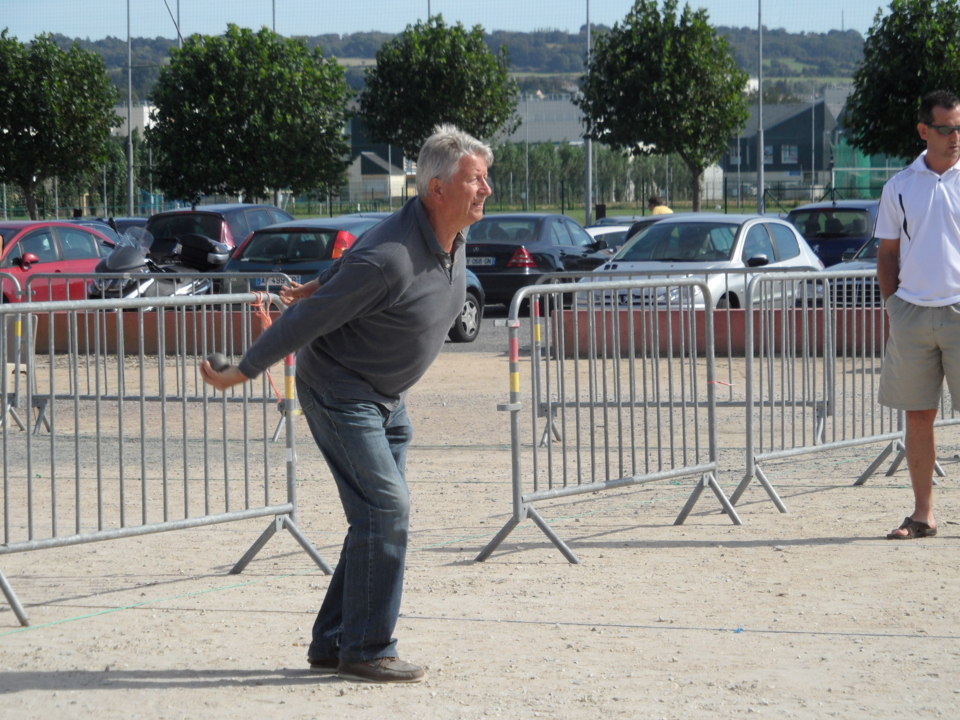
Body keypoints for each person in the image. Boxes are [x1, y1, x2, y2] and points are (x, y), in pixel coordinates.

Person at [200, 124, 493, 680]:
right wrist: (242, 370)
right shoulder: (392, 257)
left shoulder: (449, 235)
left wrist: (321, 282)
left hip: (388, 399)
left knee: (373, 521)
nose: (486, 190)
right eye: (476, 180)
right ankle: (368, 648)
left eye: (485, 178)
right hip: (341, 392)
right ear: (436, 188)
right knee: (388, 510)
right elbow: (309, 319)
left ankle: (333, 641)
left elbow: (350, 261)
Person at [876, 89, 960, 540]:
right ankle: (923, 513)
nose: (955, 137)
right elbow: (887, 254)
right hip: (912, 312)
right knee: (918, 417)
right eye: (946, 128)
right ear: (925, 130)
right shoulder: (900, 186)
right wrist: (894, 307)